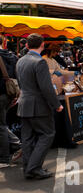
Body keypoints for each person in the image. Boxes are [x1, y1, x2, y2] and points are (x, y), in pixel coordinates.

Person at [16, 33, 63, 179]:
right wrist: (56, 104)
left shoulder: (20, 61)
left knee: (27, 138)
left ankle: (29, 168)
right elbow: (46, 87)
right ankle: (34, 168)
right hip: (39, 106)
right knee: (47, 134)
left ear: (27, 45)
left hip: (24, 104)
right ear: (42, 45)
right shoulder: (40, 62)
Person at [0, 36, 20, 169]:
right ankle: (18, 144)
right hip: (9, 93)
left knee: (1, 125)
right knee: (2, 124)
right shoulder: (12, 56)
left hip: (1, 94)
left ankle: (4, 158)